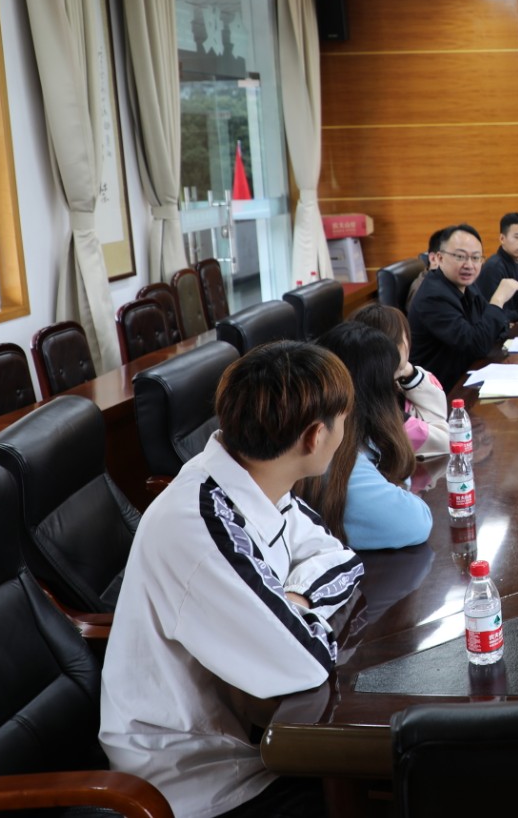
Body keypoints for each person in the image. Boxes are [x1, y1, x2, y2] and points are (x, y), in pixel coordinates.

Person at [100, 341, 363, 818]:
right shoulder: (201, 523)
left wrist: (296, 601)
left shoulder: (250, 478)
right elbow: (306, 660)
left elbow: (338, 558)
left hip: (245, 737)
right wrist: (292, 621)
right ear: (315, 436)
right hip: (193, 781)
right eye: (344, 421)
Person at [298, 322, 432, 551]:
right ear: (378, 394)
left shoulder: (356, 443)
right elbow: (416, 522)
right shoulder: (341, 463)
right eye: (394, 382)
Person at [409, 223, 512, 392]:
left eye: (476, 258)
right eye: (460, 256)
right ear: (440, 258)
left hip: (467, 376)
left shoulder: (466, 285)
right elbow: (476, 345)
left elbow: (495, 330)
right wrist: (498, 299)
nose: (469, 265)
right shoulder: (434, 297)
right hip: (441, 391)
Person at [353, 302, 449, 456]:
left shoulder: (391, 384)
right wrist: (406, 370)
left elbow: (437, 416)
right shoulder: (382, 410)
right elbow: (444, 441)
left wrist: (409, 372)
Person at [474, 211, 518, 322]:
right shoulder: (494, 267)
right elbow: (490, 311)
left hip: (516, 326)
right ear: (502, 238)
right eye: (517, 237)